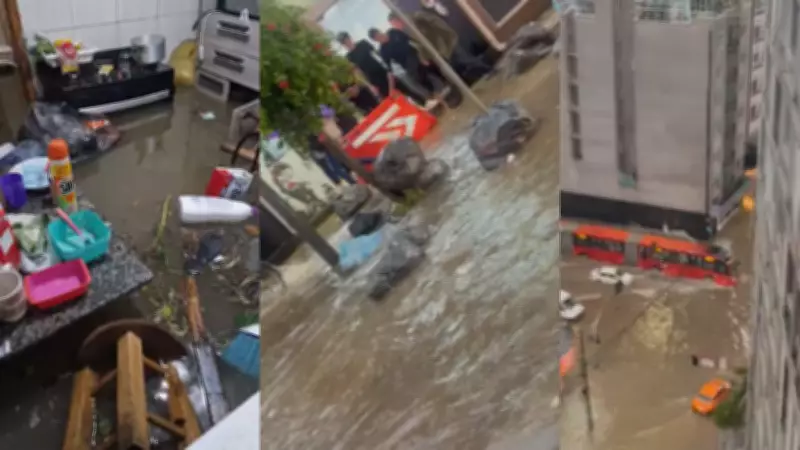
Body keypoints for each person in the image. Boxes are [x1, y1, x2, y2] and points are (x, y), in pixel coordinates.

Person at [335, 31, 429, 107]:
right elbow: (358, 72)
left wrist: (388, 70)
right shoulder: (349, 57)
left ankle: (425, 104)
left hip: (383, 72)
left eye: (346, 39)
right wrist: (369, 86)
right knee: (391, 99)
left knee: (405, 90)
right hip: (374, 80)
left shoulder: (363, 44)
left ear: (349, 37)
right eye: (343, 42)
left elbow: (377, 55)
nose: (346, 42)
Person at [368, 26, 444, 98]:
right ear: (375, 41)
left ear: (380, 31)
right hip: (407, 65)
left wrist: (422, 52)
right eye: (376, 38)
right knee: (414, 80)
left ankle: (441, 90)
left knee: (427, 71)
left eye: (378, 34)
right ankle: (434, 95)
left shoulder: (393, 32)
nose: (379, 37)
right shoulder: (383, 51)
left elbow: (410, 38)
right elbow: (389, 69)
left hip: (416, 54)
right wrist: (391, 88)